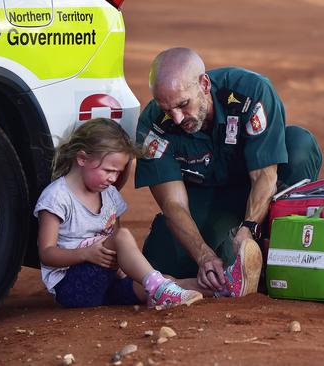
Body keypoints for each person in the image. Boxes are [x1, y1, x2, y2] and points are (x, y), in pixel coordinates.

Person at [135, 47, 322, 295]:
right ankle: (236, 264)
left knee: (299, 145)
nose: (178, 118)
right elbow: (173, 204)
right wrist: (202, 254)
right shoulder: (153, 124)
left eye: (183, 104)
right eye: (168, 110)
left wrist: (249, 229)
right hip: (207, 196)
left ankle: (284, 254)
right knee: (160, 264)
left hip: (259, 187)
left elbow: (264, 176)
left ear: (203, 84)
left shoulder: (250, 91)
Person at [34, 118, 204, 309]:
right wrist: (84, 254)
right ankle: (160, 289)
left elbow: (116, 244)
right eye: (108, 170)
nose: (113, 178)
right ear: (82, 158)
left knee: (162, 280)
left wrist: (125, 270)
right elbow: (46, 253)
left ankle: (217, 287)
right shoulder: (57, 197)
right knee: (123, 238)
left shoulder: (110, 195)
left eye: (118, 172)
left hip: (108, 280)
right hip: (72, 287)